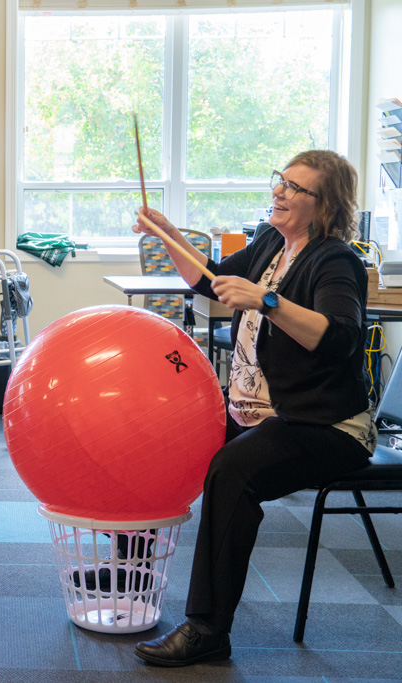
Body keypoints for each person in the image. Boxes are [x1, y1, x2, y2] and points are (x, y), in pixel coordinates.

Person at [131, 149, 375, 666]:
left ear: (325, 205)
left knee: (231, 471)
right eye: (280, 180)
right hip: (260, 413)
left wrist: (267, 300)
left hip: (326, 425)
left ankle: (208, 629)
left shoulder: (335, 260)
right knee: (166, 443)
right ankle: (129, 570)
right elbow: (210, 279)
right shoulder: (270, 243)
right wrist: (168, 234)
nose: (279, 191)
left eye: (295, 188)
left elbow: (342, 337)